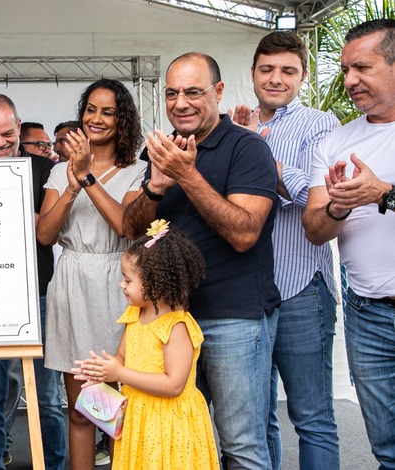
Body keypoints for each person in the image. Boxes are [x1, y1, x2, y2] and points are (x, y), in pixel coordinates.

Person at [122, 52, 280, 469]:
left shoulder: (248, 148)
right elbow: (131, 229)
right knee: (179, 439)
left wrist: (187, 175)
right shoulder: (160, 151)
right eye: (172, 93)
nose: (181, 103)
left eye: (194, 92)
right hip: (170, 320)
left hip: (233, 316)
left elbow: (245, 233)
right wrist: (156, 186)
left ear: (219, 92)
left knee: (242, 445)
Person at [231, 31, 340, 470]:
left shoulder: (321, 125)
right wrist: (238, 141)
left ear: (304, 77)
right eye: (267, 70)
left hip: (300, 289)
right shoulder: (233, 125)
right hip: (246, 292)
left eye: (287, 71)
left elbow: (311, 196)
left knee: (311, 417)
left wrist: (257, 150)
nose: (276, 79)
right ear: (253, 73)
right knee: (255, 421)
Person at [36, 78, 146, 470]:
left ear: (123, 120)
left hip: (117, 286)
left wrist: (87, 177)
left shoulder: (138, 170)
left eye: (108, 112)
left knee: (117, 412)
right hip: (71, 284)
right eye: (91, 110)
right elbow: (45, 234)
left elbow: (124, 225)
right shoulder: (60, 170)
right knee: (82, 408)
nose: (97, 119)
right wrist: (69, 186)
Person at [303, 19, 395, 469]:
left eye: (362, 67)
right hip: (369, 314)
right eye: (344, 69)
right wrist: (338, 206)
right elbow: (315, 229)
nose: (349, 80)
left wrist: (384, 194)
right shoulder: (339, 140)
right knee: (386, 446)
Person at [73, 222, 219, 470]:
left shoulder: (176, 326)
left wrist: (119, 374)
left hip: (170, 424)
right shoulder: (135, 314)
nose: (122, 285)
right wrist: (102, 369)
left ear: (155, 283)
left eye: (127, 280)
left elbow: (174, 385)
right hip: (139, 418)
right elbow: (122, 356)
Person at [0, 94, 66, 470]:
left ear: (18, 125)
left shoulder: (47, 169)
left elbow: (52, 231)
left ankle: (54, 464)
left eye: (7, 134)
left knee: (47, 397)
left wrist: (7, 211)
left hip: (39, 292)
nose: (0, 143)